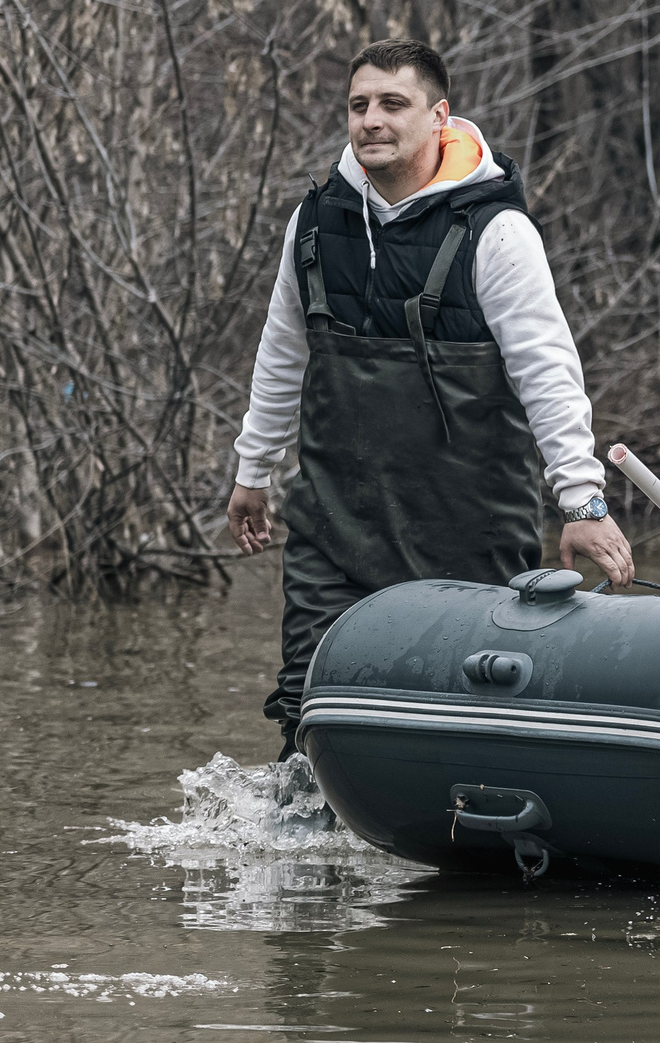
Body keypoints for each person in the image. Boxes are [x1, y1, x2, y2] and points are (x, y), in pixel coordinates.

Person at [225, 40, 631, 756]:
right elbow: (281, 350)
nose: (371, 121)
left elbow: (548, 371)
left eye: (393, 103)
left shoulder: (497, 233)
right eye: (358, 105)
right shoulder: (314, 222)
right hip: (336, 525)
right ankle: (303, 857)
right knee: (308, 709)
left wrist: (582, 502)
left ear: (439, 116)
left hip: (466, 529)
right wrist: (253, 470)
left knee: (468, 726)